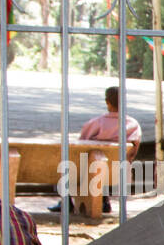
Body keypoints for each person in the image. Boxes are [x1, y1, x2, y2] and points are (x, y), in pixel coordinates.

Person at [50, 85, 143, 214]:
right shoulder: (133, 125)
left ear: (107, 102)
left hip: (90, 172)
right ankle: (103, 200)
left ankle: (66, 202)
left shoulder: (95, 123)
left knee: (75, 164)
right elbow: (133, 151)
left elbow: (80, 148)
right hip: (119, 172)